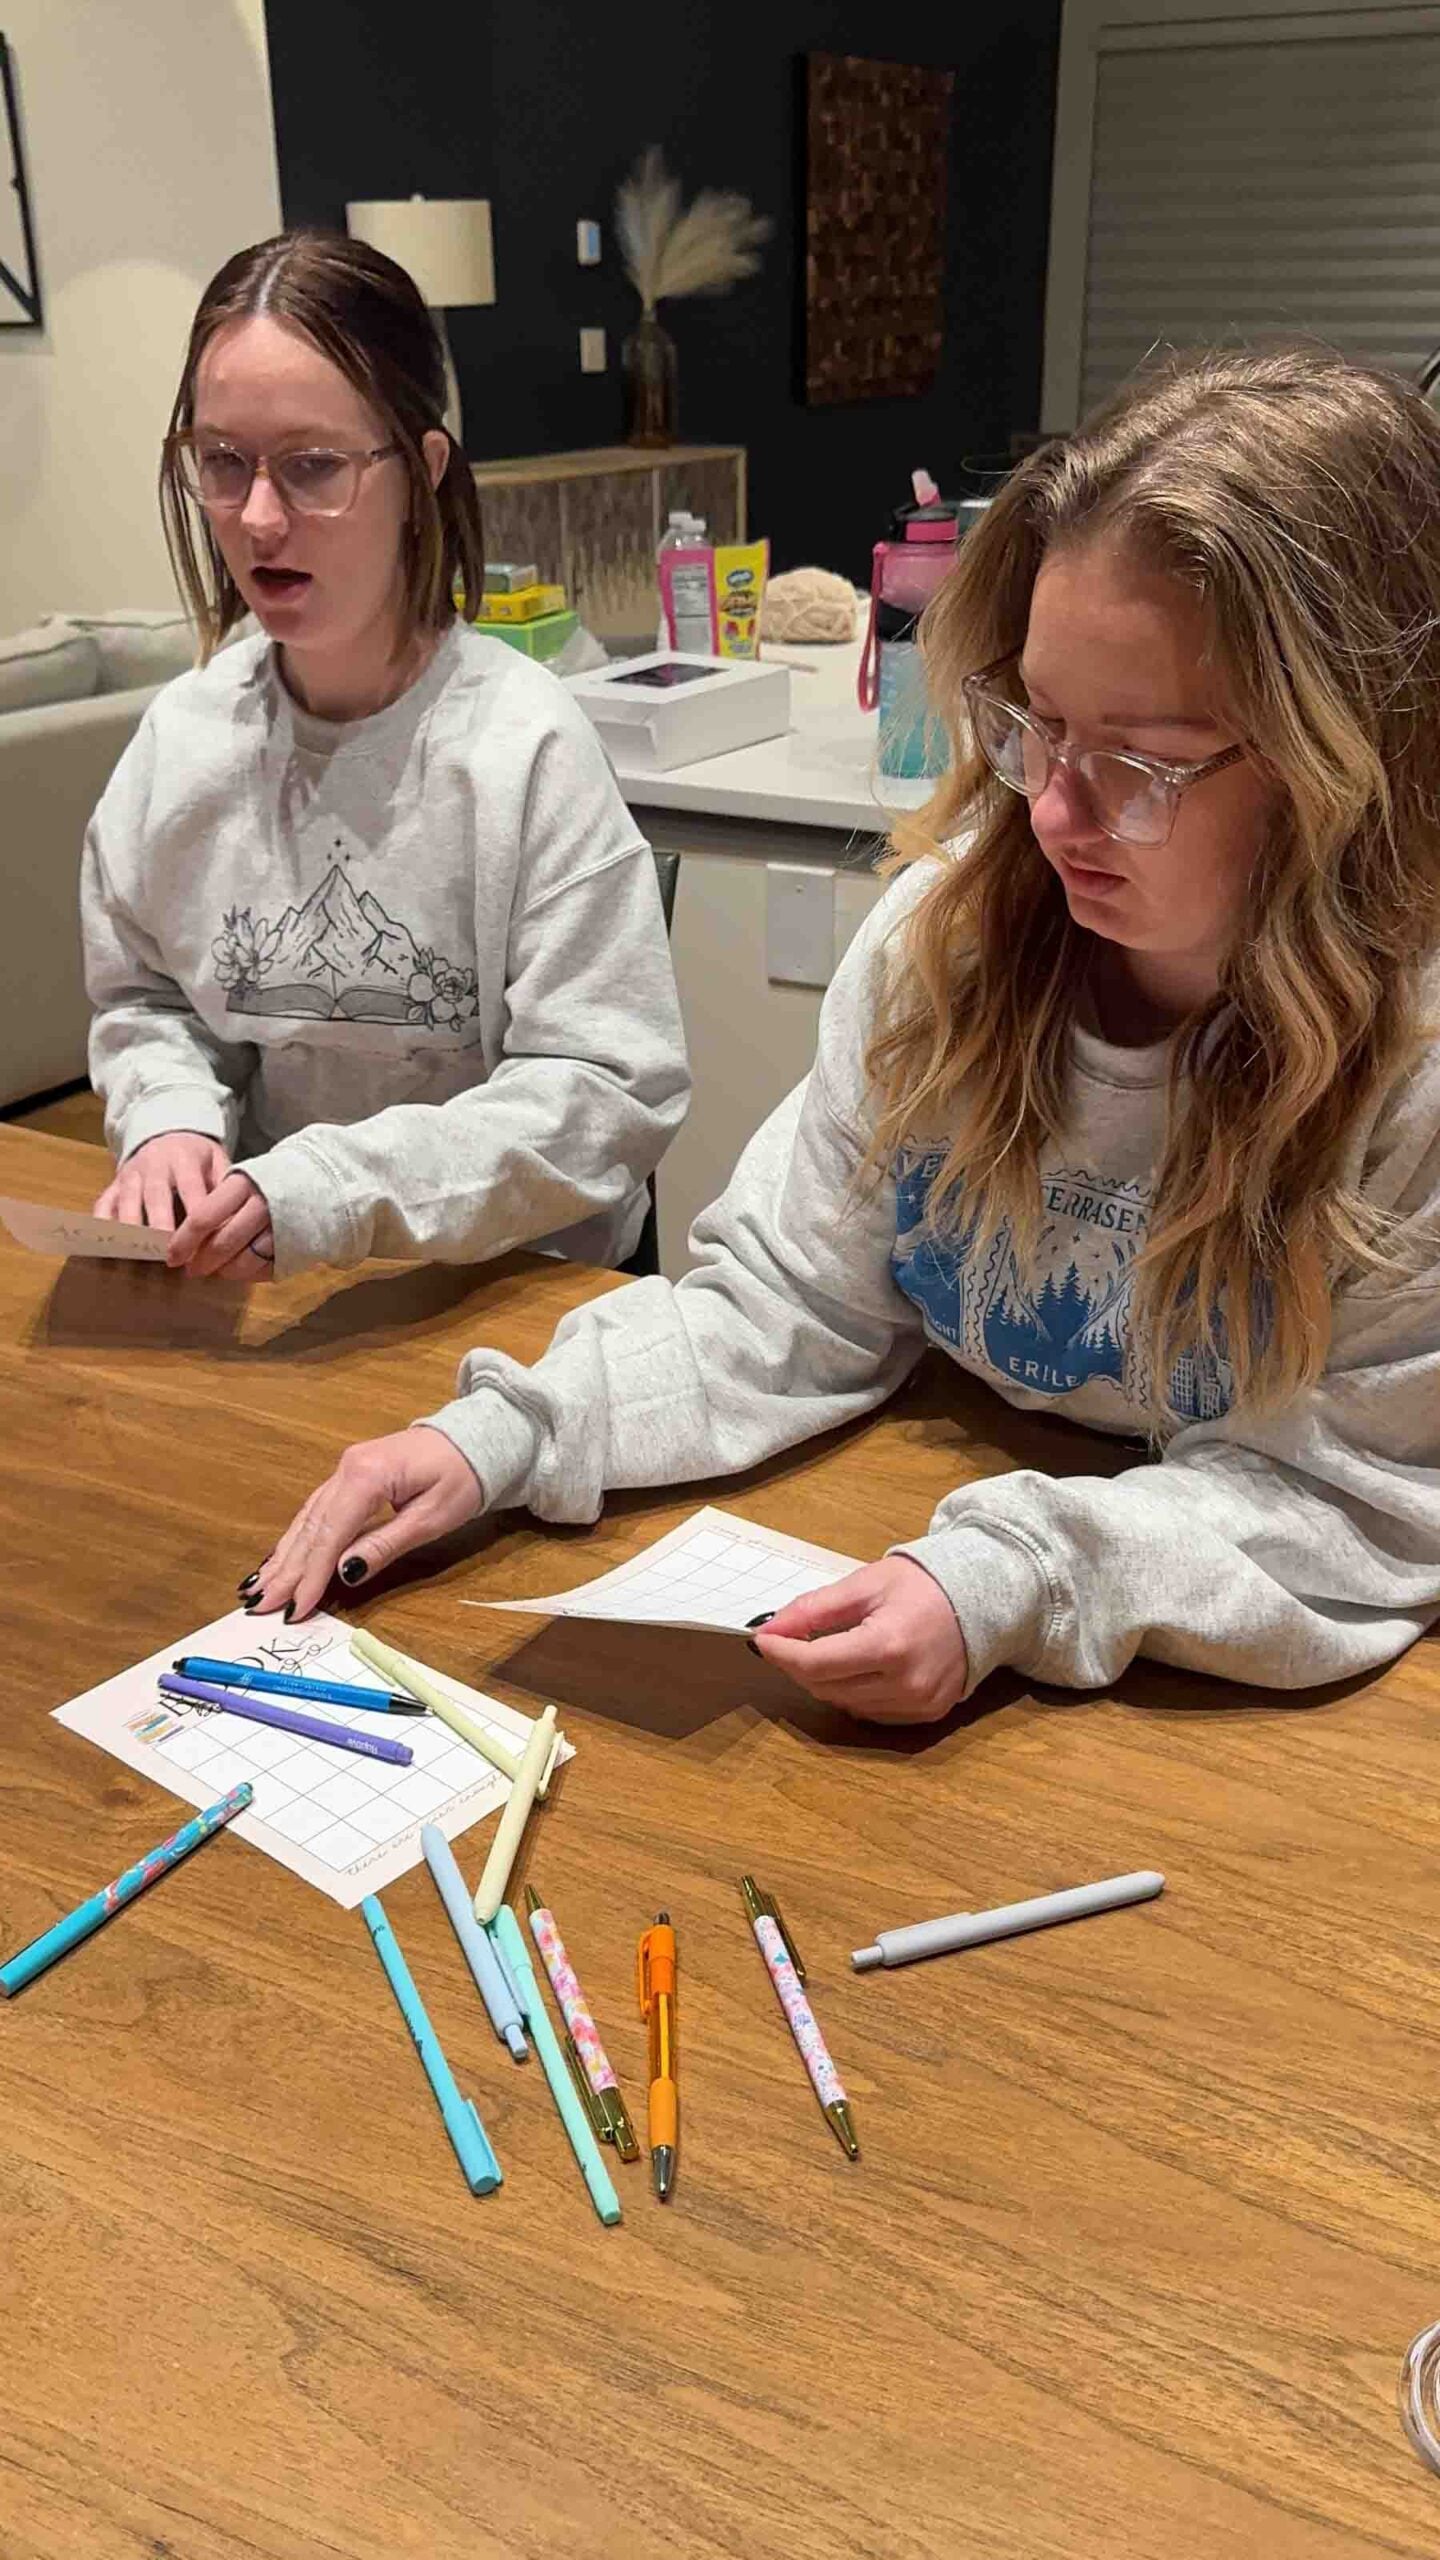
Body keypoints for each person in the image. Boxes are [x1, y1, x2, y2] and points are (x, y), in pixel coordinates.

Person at [244, 347, 1440, 1720]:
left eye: (1143, 761)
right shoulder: (949, 944)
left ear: (1355, 760)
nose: (1051, 816)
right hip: (940, 1537)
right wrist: (507, 1434)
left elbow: (1358, 1505)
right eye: (1037, 728)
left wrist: (1008, 1578)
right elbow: (790, 1303)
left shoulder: (1410, 1070)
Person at [84, 229, 688, 1281]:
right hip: (271, 1277)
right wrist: (171, 1121)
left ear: (422, 471)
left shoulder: (523, 749)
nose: (259, 517)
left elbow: (605, 1093)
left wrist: (328, 1189)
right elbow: (147, 997)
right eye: (222, 462)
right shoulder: (180, 745)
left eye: (314, 467)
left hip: (509, 1293)